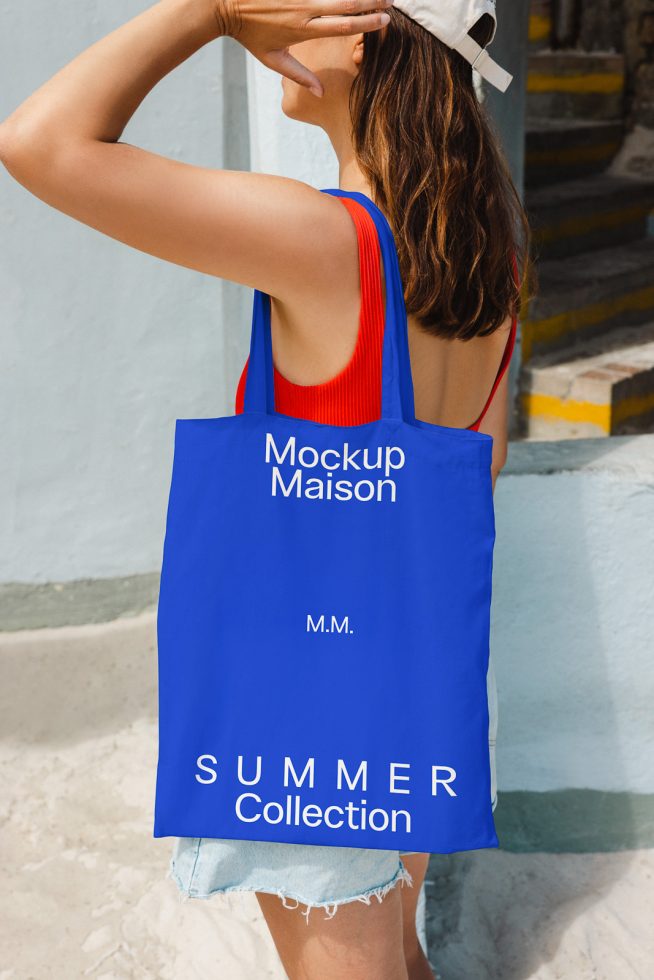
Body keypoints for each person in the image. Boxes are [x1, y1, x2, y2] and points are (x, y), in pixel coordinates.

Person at [0, 0, 530, 976]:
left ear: (367, 35)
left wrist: (208, 16)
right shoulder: (487, 258)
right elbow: (473, 477)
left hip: (315, 697)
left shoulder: (326, 243)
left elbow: (39, 141)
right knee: (396, 956)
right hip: (414, 675)